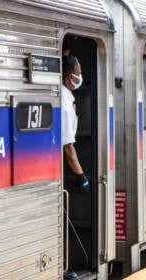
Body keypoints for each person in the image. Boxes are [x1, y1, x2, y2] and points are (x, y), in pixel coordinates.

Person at [62, 55, 89, 192]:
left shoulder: (66, 97)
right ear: (71, 77)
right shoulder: (64, 103)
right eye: (78, 74)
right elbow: (67, 145)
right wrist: (80, 175)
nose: (80, 77)